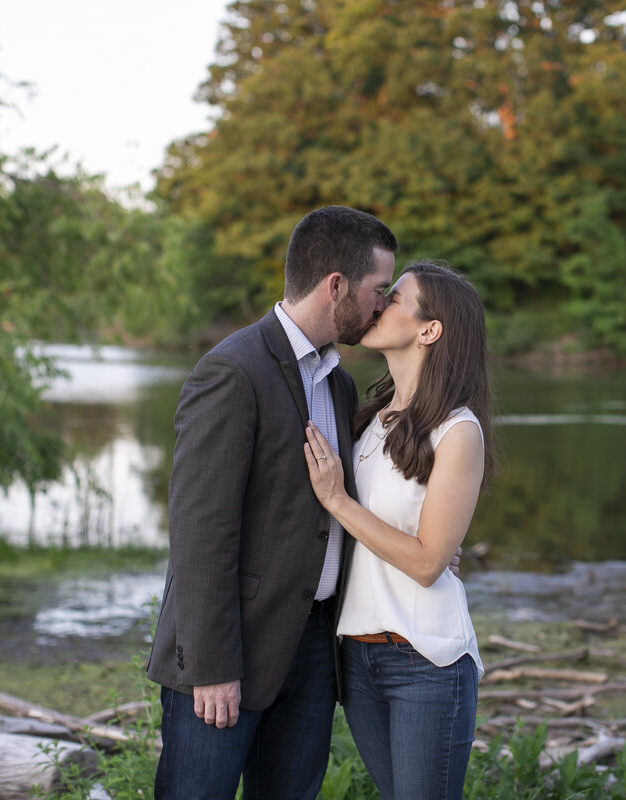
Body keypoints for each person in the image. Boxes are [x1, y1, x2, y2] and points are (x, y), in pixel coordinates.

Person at [146, 205, 397, 800]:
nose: (382, 306)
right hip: (231, 644)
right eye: (377, 290)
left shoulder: (337, 381)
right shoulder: (233, 371)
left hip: (312, 648)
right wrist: (211, 665)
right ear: (335, 285)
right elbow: (200, 532)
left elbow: (330, 511)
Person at [303, 259, 495, 800]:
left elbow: (427, 563)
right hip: (356, 658)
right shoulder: (368, 419)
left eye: (396, 298)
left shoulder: (458, 431)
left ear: (429, 330)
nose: (380, 303)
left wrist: (338, 501)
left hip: (425, 662)